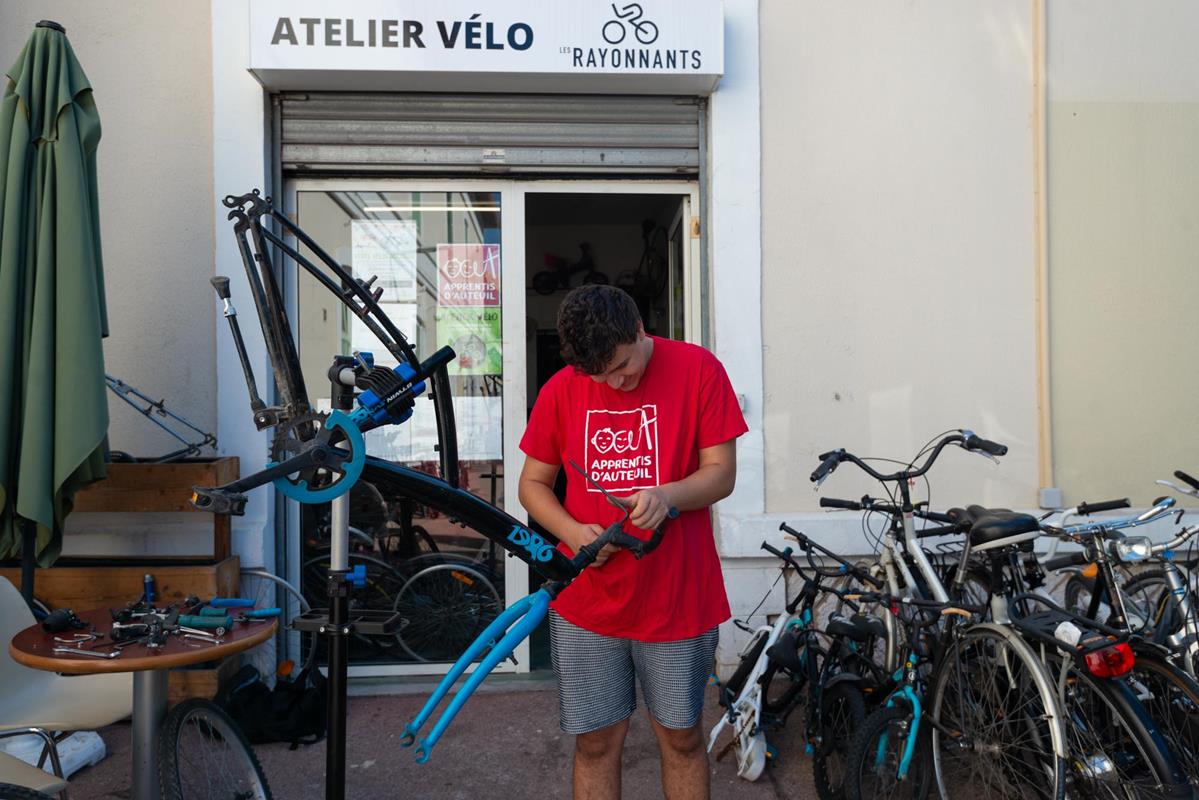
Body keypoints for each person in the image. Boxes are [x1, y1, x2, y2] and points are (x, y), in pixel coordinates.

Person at [518, 285, 748, 800]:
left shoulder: (699, 370)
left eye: (623, 366)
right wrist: (575, 534)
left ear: (640, 329)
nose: (616, 383)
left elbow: (722, 475)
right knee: (595, 745)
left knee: (683, 739)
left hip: (676, 596)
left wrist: (668, 496)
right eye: (600, 377)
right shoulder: (561, 387)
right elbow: (531, 486)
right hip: (586, 602)